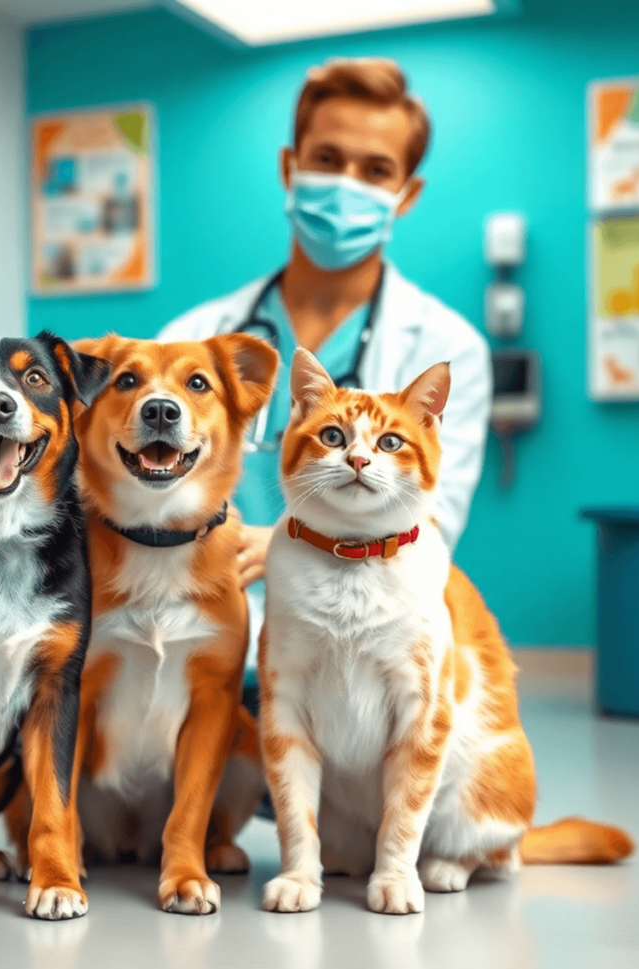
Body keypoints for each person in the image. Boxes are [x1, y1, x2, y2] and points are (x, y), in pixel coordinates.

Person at [158, 58, 492, 597]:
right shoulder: (195, 336)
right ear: (290, 168)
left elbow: (432, 527)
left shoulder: (448, 346)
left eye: (376, 170)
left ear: (406, 195)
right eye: (328, 159)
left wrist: (292, 541)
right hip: (200, 630)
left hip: (345, 639)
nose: (346, 185)